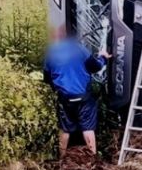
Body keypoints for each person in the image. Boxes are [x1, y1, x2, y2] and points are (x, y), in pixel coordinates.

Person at [42, 25, 109, 156]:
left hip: (65, 98)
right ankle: (93, 157)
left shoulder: (51, 54)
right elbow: (95, 67)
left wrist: (58, 89)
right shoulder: (79, 49)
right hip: (83, 96)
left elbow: (47, 78)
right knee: (88, 128)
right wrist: (103, 58)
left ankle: (61, 159)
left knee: (65, 129)